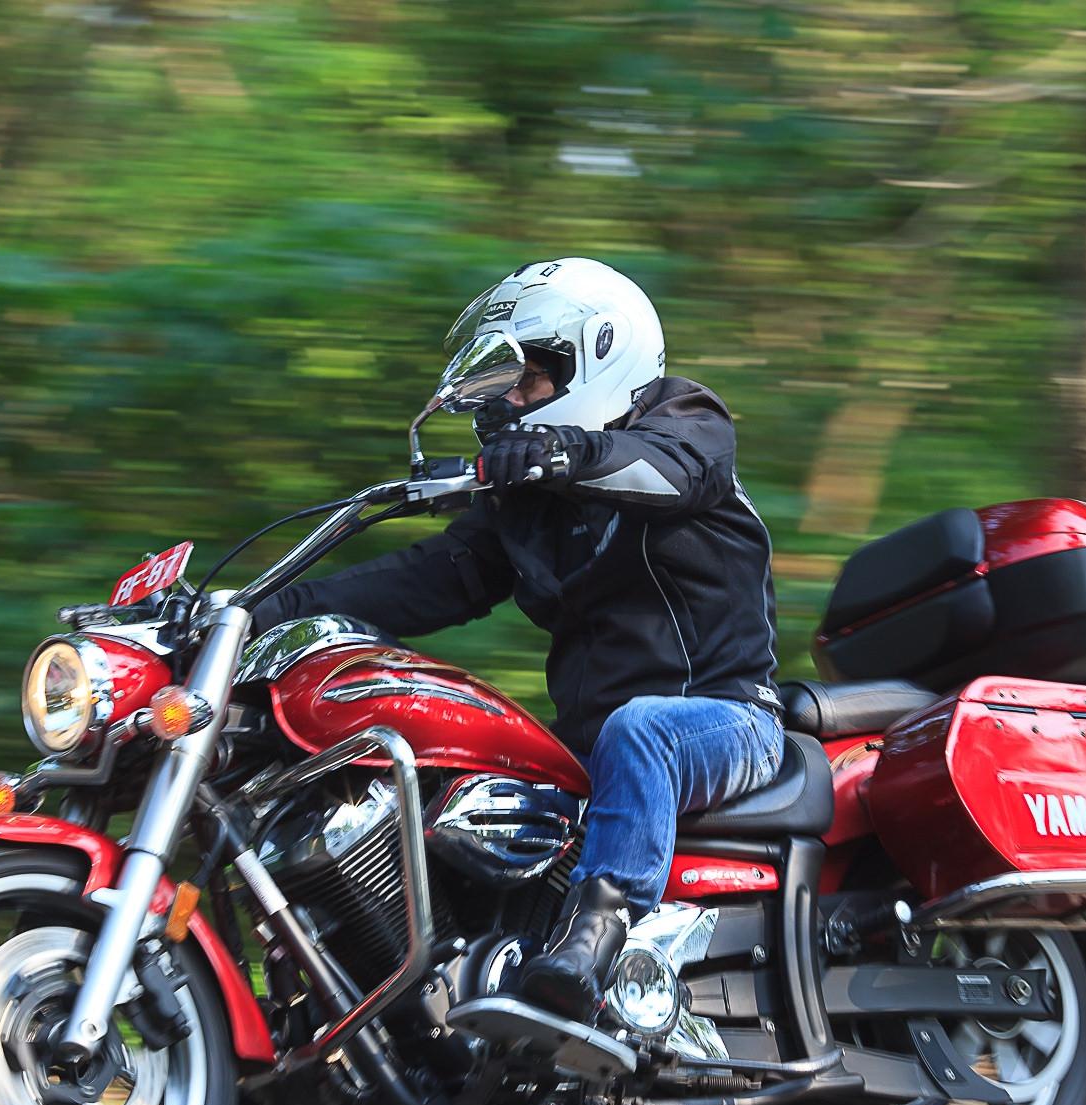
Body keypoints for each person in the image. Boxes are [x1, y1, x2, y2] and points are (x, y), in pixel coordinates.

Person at [255, 258, 783, 1025]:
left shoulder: (684, 423)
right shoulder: (529, 507)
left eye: (529, 378)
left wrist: (560, 451)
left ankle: (593, 942)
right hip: (591, 748)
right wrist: (263, 611)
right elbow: (425, 578)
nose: (509, 399)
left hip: (726, 717)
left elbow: (663, 472)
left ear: (598, 355)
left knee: (641, 729)